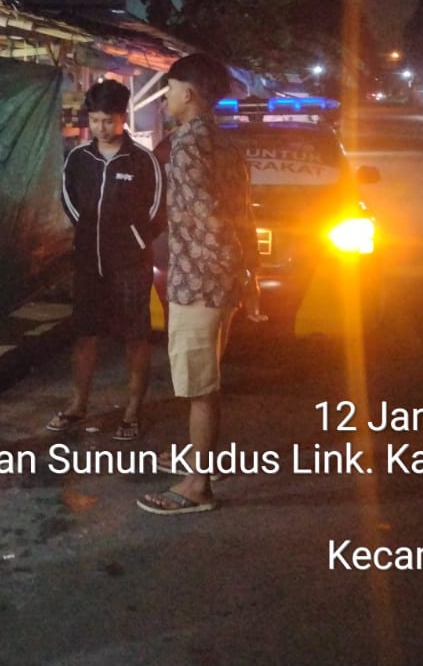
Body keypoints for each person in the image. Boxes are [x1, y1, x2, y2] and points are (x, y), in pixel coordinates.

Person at [138, 53, 260, 516]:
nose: (165, 98)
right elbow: (245, 214)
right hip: (220, 285)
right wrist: (247, 273)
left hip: (196, 284)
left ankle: (197, 486)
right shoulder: (226, 144)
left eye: (169, 90)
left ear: (188, 94)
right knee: (205, 379)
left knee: (199, 387)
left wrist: (217, 267)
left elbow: (209, 219)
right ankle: (199, 459)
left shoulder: (187, 148)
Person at [47, 79, 164, 441]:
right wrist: (86, 232)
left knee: (135, 337)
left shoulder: (143, 160)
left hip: (131, 264)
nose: (101, 127)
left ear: (122, 118)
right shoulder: (79, 159)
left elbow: (157, 210)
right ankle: (77, 404)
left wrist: (133, 240)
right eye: (95, 120)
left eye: (108, 120)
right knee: (85, 334)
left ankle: (132, 410)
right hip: (88, 263)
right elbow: (68, 198)